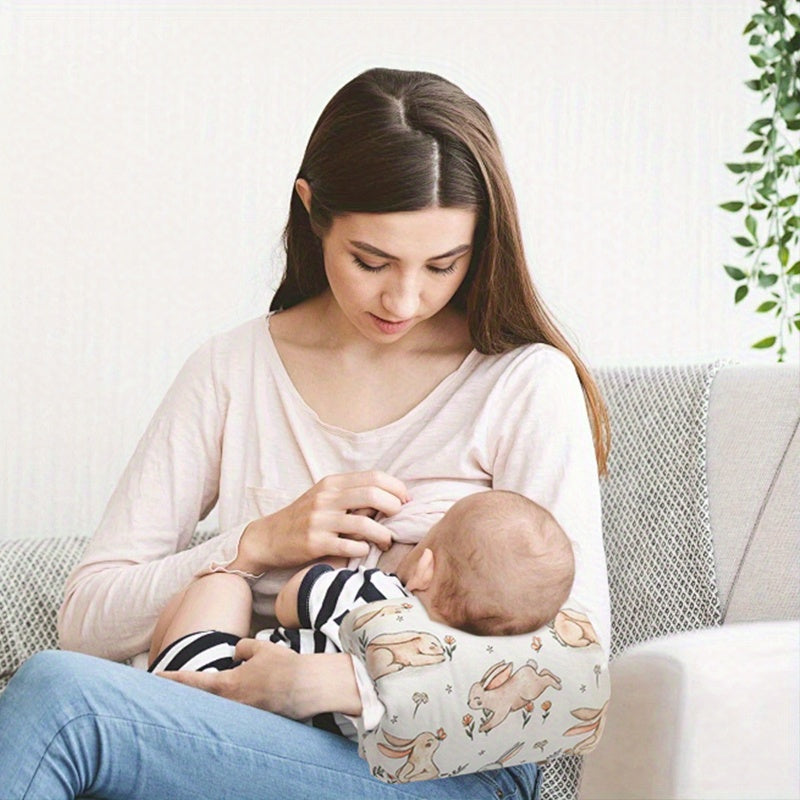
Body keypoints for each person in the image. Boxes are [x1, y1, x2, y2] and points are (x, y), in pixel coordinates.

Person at [0, 67, 610, 800]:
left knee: (64, 705)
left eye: (444, 265)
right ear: (311, 209)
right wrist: (254, 544)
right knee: (62, 686)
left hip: (439, 765)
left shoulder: (522, 383)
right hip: (234, 735)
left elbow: (579, 675)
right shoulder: (231, 369)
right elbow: (87, 622)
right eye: (371, 260)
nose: (404, 298)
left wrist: (329, 680)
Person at [145, 490, 576, 733]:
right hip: (299, 737)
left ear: (424, 566)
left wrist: (331, 568)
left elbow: (289, 602)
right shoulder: (434, 675)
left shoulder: (378, 595)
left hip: (218, 685)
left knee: (222, 585)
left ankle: (151, 679)